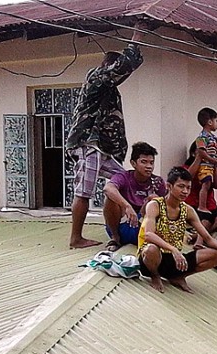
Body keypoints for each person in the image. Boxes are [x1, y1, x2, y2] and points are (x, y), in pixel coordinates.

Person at [65, 24, 145, 249]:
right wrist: (137, 36)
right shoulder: (96, 78)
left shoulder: (109, 90)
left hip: (104, 148)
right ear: (108, 66)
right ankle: (76, 238)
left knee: (122, 183)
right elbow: (126, 65)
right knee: (84, 191)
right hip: (89, 143)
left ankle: (116, 234)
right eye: (116, 70)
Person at [137, 167, 217, 293]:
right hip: (152, 259)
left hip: (175, 259)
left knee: (216, 254)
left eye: (188, 188)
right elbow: (148, 235)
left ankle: (178, 276)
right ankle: (155, 276)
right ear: (169, 186)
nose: (185, 191)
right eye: (181, 186)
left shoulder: (188, 210)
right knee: (151, 249)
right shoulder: (155, 205)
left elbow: (207, 238)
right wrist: (173, 249)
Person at [101, 141, 166, 251]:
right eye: (144, 162)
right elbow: (108, 189)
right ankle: (115, 238)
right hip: (122, 224)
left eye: (151, 163)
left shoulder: (157, 181)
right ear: (133, 163)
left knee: (154, 199)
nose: (149, 166)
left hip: (144, 225)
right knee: (111, 199)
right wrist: (127, 206)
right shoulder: (123, 177)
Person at [183, 145, 217, 239]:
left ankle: (200, 235)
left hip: (209, 205)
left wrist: (215, 165)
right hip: (192, 204)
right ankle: (200, 241)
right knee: (205, 221)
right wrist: (199, 158)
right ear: (193, 153)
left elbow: (216, 185)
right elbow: (187, 178)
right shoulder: (186, 167)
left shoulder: (209, 168)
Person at [193, 107, 217, 215]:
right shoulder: (202, 137)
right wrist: (212, 160)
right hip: (205, 165)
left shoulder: (214, 138)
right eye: (216, 121)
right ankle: (202, 206)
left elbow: (215, 150)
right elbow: (201, 152)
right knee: (206, 184)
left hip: (212, 165)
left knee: (210, 184)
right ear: (210, 122)